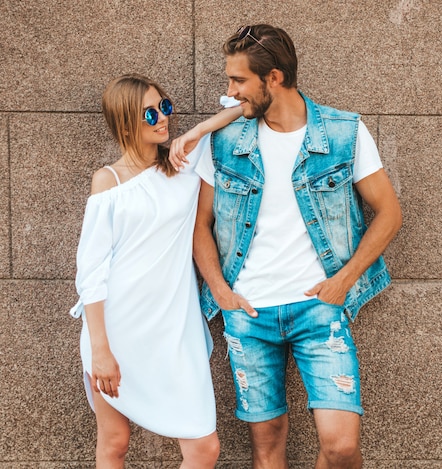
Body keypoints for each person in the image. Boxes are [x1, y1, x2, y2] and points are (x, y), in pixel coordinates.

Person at [169, 24, 402, 469]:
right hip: (249, 313)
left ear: (272, 78)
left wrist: (343, 282)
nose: (230, 91)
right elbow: (200, 225)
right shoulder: (223, 142)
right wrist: (220, 291)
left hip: (320, 310)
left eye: (238, 81)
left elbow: (389, 214)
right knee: (267, 446)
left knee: (341, 447)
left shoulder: (343, 133)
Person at [70, 73, 242, 469]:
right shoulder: (107, 181)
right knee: (114, 442)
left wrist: (197, 130)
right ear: (126, 122)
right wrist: (101, 351)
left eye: (164, 106)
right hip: (117, 332)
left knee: (204, 449)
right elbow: (91, 271)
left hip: (173, 331)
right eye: (150, 113)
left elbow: (243, 108)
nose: (163, 118)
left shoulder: (185, 162)